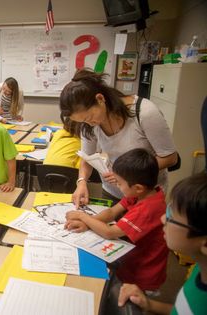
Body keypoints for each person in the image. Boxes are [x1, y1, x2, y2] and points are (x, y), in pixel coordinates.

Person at [60, 69, 178, 206]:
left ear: (100, 99)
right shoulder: (89, 125)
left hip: (145, 195)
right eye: (83, 122)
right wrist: (81, 182)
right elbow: (87, 157)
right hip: (112, 191)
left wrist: (127, 174)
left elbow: (170, 157)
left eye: (89, 117)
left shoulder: (145, 113)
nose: (89, 123)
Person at [65, 148, 168, 291]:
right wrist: (87, 223)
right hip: (130, 261)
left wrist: (83, 216)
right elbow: (112, 212)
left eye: (119, 183)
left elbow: (110, 232)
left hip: (143, 275)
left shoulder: (148, 209)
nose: (117, 186)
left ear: (138, 187)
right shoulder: (143, 193)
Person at [118, 172, 207, 315]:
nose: (162, 219)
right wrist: (148, 304)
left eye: (171, 218)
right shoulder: (200, 269)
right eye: (168, 210)